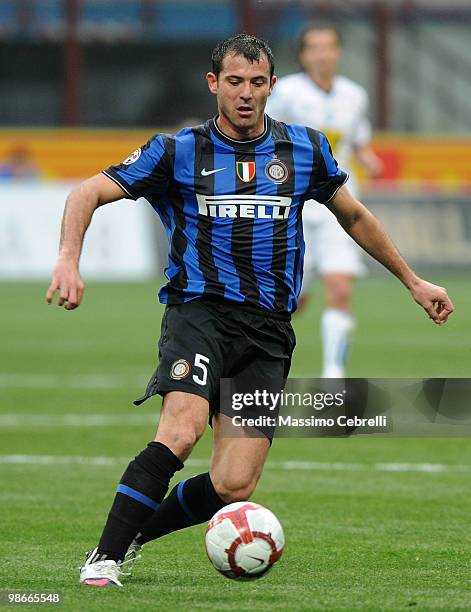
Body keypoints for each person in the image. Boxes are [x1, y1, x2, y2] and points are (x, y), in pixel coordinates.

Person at [46, 34, 453, 588]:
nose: (245, 94)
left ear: (271, 87)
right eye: (233, 82)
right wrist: (69, 260)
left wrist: (412, 280)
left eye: (256, 83)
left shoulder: (304, 149)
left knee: (234, 485)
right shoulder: (176, 150)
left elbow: (354, 216)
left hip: (268, 331)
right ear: (214, 84)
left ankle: (132, 534)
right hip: (199, 314)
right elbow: (84, 194)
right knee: (182, 429)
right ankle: (104, 558)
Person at [267, 23, 384, 377]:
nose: (322, 53)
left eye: (329, 46)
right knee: (291, 300)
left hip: (340, 204)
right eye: (314, 47)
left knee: (339, 285)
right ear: (303, 55)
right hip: (295, 208)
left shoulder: (354, 95)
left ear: (338, 52)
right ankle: (258, 355)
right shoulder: (286, 92)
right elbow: (265, 135)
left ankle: (334, 376)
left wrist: (367, 159)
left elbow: (356, 140)